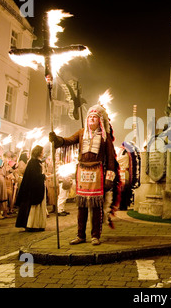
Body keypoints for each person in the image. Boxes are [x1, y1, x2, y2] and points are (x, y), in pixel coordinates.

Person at [49, 103, 117, 246]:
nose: (92, 119)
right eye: (90, 117)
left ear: (100, 120)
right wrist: (57, 140)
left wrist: (109, 177)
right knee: (81, 206)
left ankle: (95, 236)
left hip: (98, 173)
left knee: (97, 206)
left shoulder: (105, 136)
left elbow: (111, 158)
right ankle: (80, 235)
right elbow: (68, 141)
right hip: (82, 171)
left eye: (95, 117)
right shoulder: (81, 133)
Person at [15, 145, 47, 231]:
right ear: (39, 152)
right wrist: (43, 176)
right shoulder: (33, 162)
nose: (43, 153)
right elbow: (34, 176)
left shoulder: (37, 162)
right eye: (42, 151)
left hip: (38, 187)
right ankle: (32, 225)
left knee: (39, 207)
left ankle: (38, 224)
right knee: (33, 207)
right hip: (33, 189)